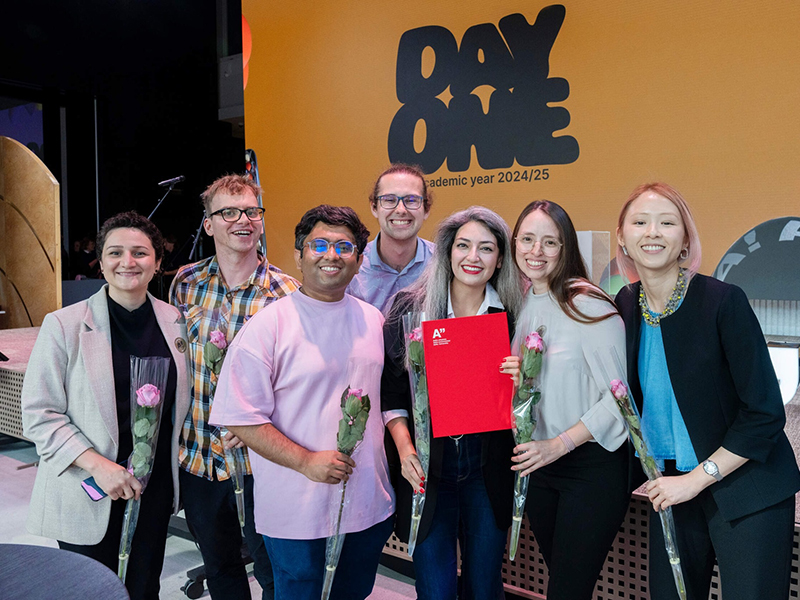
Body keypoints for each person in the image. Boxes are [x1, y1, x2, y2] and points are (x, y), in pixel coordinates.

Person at [615, 182, 800, 600]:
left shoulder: (722, 301)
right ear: (622, 237)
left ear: (685, 239)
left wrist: (696, 480)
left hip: (747, 488)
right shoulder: (623, 306)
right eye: (640, 222)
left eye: (667, 223)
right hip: (672, 487)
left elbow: (764, 412)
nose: (653, 232)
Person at [208, 205, 395, 600]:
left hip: (365, 502)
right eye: (319, 245)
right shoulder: (268, 326)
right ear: (299, 255)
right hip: (296, 509)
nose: (332, 255)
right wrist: (305, 460)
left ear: (359, 261)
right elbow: (239, 416)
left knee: (354, 593)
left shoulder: (374, 321)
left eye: (345, 246)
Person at [22, 212, 191, 600]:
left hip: (152, 488)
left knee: (144, 588)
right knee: (91, 591)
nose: (127, 262)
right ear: (100, 261)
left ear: (158, 262)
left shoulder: (175, 321)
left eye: (140, 253)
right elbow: (39, 414)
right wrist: (100, 466)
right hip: (87, 486)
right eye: (115, 252)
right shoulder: (64, 324)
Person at [382, 206, 522, 600]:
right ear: (447, 252)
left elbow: (529, 400)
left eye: (486, 248)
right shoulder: (410, 308)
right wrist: (406, 450)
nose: (473, 257)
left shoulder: (514, 315)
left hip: (488, 466)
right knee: (435, 588)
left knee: (484, 585)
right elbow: (391, 394)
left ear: (500, 260)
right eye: (463, 246)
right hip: (428, 467)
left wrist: (523, 378)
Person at [169, 174, 298, 599]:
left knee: (273, 571)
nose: (242, 220)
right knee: (220, 567)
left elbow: (297, 380)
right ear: (208, 225)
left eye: (251, 211)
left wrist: (256, 421)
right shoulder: (185, 283)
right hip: (199, 458)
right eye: (228, 212)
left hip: (259, 461)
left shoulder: (286, 292)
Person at [509, 200, 630, 600]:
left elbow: (620, 400)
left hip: (589, 467)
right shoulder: (519, 304)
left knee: (567, 590)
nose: (536, 251)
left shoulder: (588, 304)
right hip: (539, 467)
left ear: (566, 247)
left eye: (549, 242)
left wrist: (560, 444)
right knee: (564, 582)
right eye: (527, 239)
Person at [346, 163, 434, 313]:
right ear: (374, 208)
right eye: (389, 200)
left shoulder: (443, 263)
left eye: (411, 200)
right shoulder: (351, 264)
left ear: (426, 209)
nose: (401, 210)